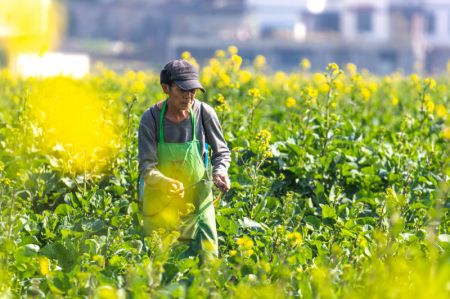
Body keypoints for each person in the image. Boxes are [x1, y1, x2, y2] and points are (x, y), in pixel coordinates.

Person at [138, 59, 231, 259]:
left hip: (198, 200)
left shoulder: (204, 113)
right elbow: (146, 168)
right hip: (161, 201)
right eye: (182, 90)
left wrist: (220, 172)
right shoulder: (151, 119)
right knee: (160, 262)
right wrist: (165, 182)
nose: (189, 96)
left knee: (208, 260)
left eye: (193, 91)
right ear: (166, 88)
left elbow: (222, 152)